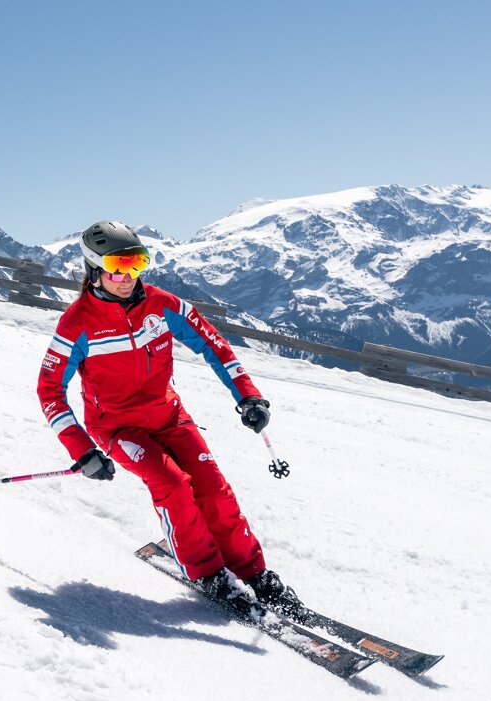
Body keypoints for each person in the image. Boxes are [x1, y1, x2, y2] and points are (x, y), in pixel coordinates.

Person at [36, 221, 304, 618]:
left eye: (136, 264)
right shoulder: (77, 324)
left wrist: (248, 394)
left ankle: (255, 572)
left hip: (168, 415)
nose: (127, 277)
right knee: (174, 486)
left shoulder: (163, 305)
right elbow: (49, 391)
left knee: (213, 490)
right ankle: (209, 573)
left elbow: (214, 344)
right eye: (116, 267)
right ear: (94, 270)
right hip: (117, 428)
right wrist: (82, 449)